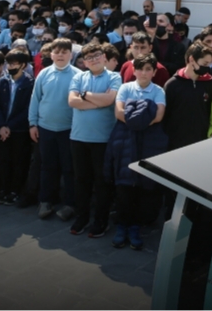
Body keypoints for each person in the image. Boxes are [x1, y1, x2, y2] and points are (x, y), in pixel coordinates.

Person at [108, 53, 168, 250]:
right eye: (140, 68)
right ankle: (122, 226)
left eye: (148, 69)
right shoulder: (125, 88)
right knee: (124, 184)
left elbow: (159, 116)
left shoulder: (158, 90)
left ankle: (135, 227)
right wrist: (141, 118)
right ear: (134, 70)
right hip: (125, 139)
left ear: (154, 72)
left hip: (148, 141)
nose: (144, 72)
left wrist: (137, 120)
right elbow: (119, 112)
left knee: (143, 186)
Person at [67, 43, 121, 237]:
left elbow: (109, 101)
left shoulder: (114, 77)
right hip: (78, 137)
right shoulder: (78, 76)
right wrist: (97, 101)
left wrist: (84, 97)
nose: (94, 60)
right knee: (81, 180)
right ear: (84, 61)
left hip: (103, 139)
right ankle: (81, 218)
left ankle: (101, 221)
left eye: (97, 56)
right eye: (89, 58)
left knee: (102, 182)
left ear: (104, 57)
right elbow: (72, 102)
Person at [28, 38, 78, 221]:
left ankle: (70, 204)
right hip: (45, 128)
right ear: (51, 54)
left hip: (69, 130)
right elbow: (35, 99)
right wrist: (33, 123)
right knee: (47, 166)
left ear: (70, 55)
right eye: (57, 52)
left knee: (69, 168)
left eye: (64, 52)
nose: (60, 55)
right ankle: (45, 200)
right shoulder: (43, 74)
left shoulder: (79, 75)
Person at [0, 49, 35, 206]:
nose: (10, 66)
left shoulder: (30, 83)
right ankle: (3, 190)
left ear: (23, 65)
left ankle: (15, 191)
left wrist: (10, 126)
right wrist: (1, 125)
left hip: (19, 130)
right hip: (3, 130)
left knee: (19, 161)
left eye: (14, 63)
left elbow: (28, 109)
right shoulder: (3, 82)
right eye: (8, 63)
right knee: (3, 161)